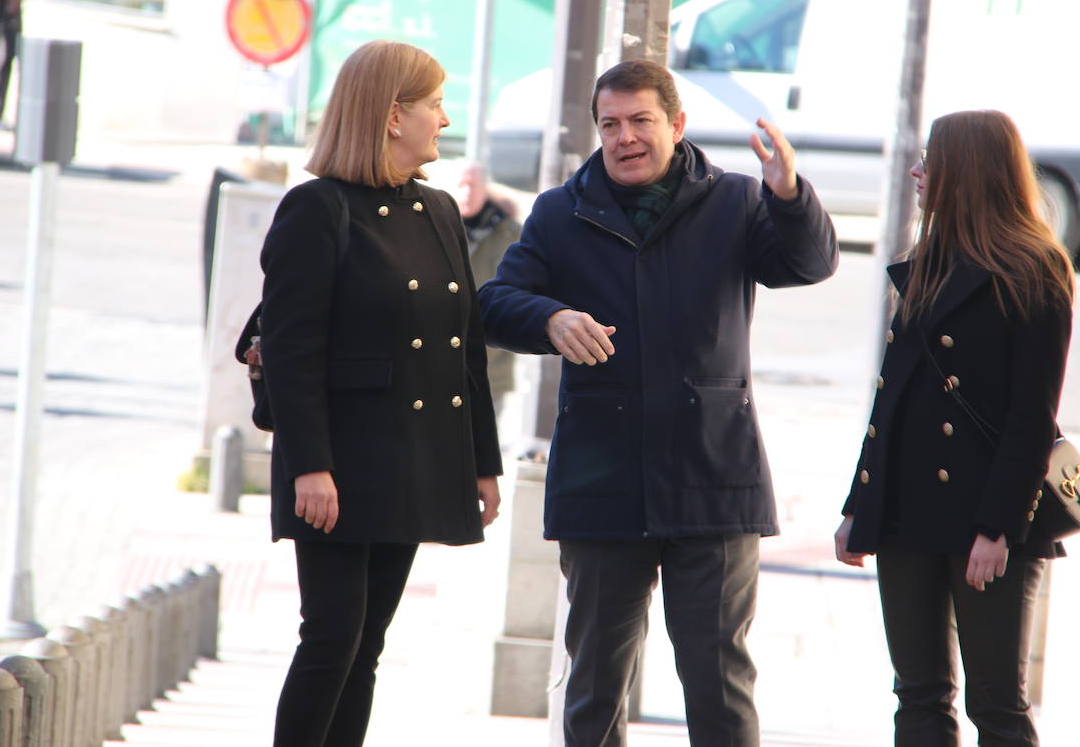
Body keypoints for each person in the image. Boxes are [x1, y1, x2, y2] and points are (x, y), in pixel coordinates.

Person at [479, 58, 839, 745]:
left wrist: (787, 192)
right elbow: (494, 303)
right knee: (593, 692)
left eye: (640, 120)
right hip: (601, 484)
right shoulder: (561, 212)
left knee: (720, 690)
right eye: (609, 124)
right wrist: (550, 318)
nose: (624, 138)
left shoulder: (735, 201)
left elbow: (808, 264)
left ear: (676, 124)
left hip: (713, 481)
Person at [257, 39, 503, 747]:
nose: (444, 120)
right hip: (335, 469)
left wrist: (478, 461)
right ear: (394, 116)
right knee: (331, 638)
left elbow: (465, 352)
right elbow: (292, 350)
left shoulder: (439, 211)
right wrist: (309, 465)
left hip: (412, 461)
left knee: (365, 647)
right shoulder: (317, 209)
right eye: (434, 105)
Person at [834, 109, 1075, 746]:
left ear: (965, 171)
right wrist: (862, 504)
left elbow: (1032, 415)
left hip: (987, 520)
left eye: (929, 160)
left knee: (996, 705)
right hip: (909, 513)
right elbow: (892, 403)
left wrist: (997, 528)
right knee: (917, 695)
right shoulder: (926, 261)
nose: (917, 171)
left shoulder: (1034, 270)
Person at [452, 160, 524, 451]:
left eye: (474, 185)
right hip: (436, 367)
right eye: (462, 185)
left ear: (486, 190)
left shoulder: (511, 234)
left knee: (477, 456)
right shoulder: (435, 225)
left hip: (491, 369)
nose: (467, 192)